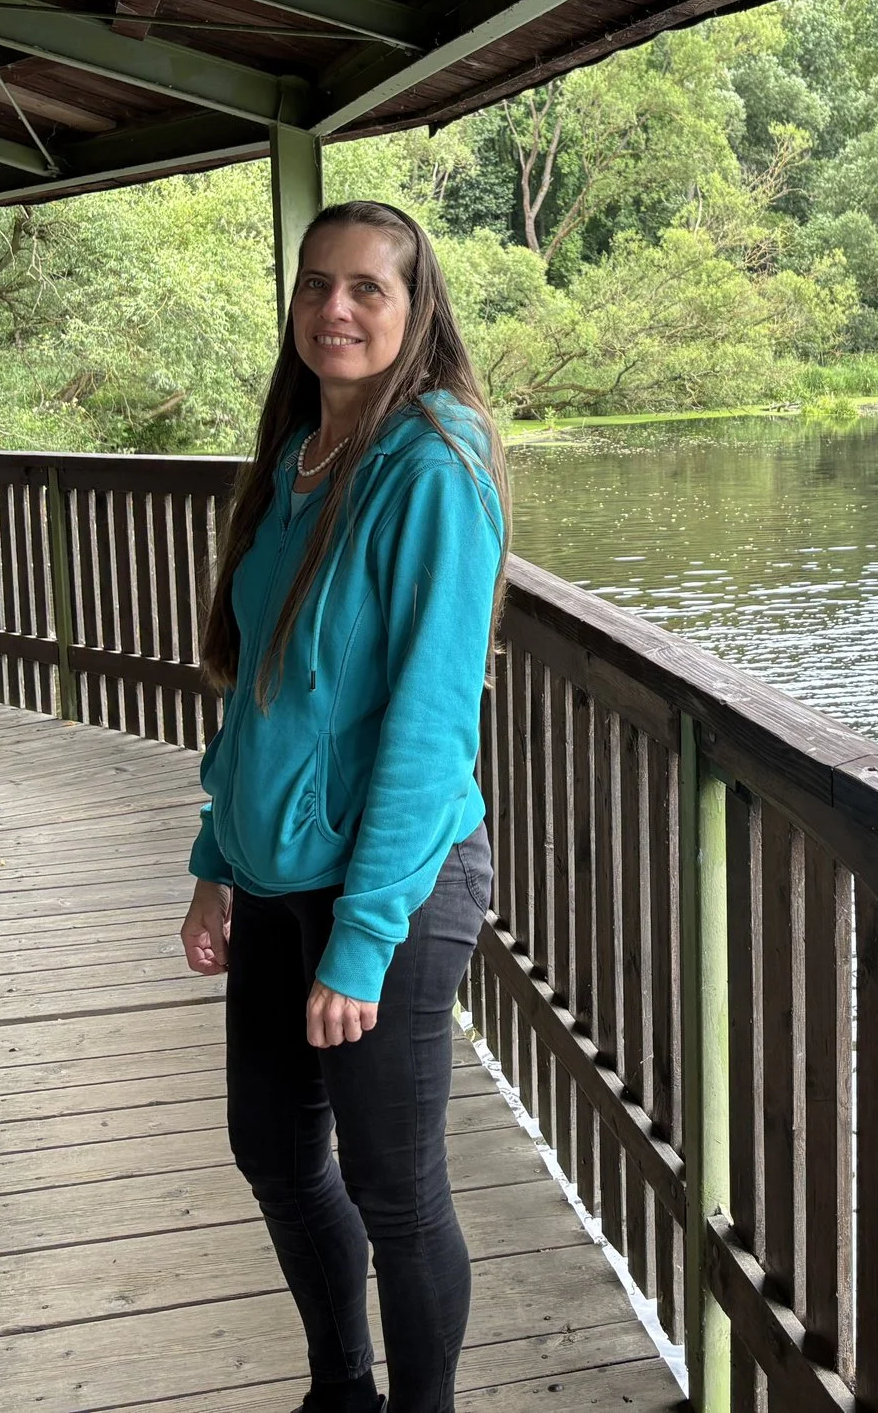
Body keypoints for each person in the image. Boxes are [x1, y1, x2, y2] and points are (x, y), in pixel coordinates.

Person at [180, 200, 508, 1413]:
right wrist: (217, 857)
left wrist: (362, 944)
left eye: (369, 288)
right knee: (272, 1148)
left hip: (396, 885)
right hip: (276, 878)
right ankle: (344, 1390)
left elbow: (429, 724)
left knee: (396, 1184)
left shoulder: (434, 465)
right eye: (318, 285)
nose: (336, 309)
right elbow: (261, 695)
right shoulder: (295, 462)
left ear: (417, 310)